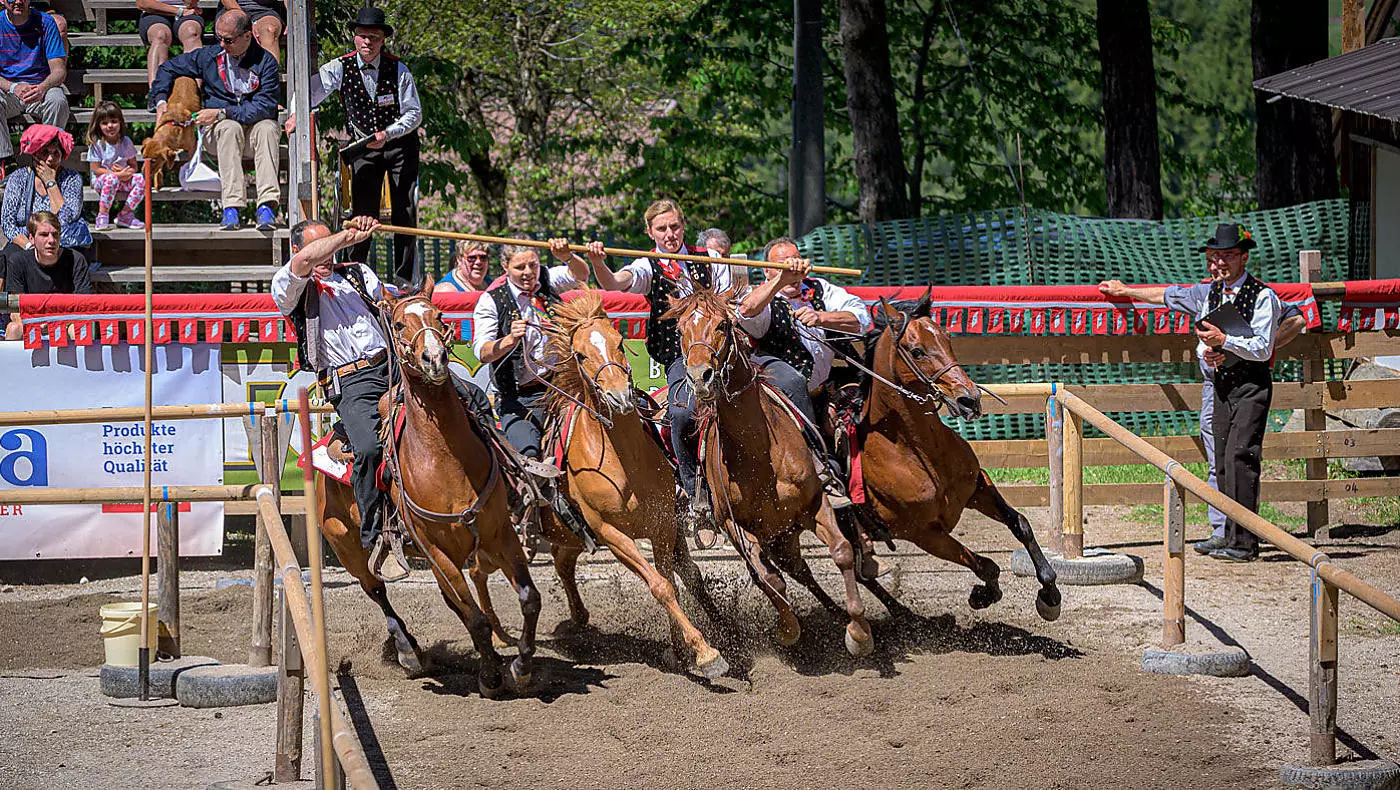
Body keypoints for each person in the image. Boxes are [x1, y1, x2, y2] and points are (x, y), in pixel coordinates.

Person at [586, 199, 818, 532]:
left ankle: (818, 463)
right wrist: (598, 263)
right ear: (650, 232)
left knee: (792, 381)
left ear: (683, 226)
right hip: (682, 358)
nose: (670, 234)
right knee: (681, 413)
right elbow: (615, 283)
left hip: (726, 351)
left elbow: (731, 302)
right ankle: (695, 492)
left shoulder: (709, 258)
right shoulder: (646, 265)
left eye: (674, 226)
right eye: (662, 229)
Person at [1098, 223, 1284, 562]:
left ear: (1243, 257)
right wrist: (1210, 353)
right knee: (1223, 458)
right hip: (1222, 382)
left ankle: (1244, 542)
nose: (1219, 263)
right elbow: (1195, 328)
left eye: (1227, 256)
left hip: (1251, 384)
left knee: (1241, 456)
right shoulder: (1210, 293)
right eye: (1215, 257)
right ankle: (1228, 534)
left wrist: (1225, 342)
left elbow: (1262, 347)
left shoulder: (1263, 296)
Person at [292, 7, 421, 283]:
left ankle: (404, 280)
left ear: (383, 40)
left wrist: (389, 133)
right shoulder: (340, 67)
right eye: (363, 36)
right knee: (362, 213)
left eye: (373, 37)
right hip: (364, 146)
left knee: (405, 209)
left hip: (399, 144)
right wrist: (296, 114)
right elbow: (308, 94)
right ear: (354, 37)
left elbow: (414, 113)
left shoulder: (399, 69)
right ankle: (355, 273)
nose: (368, 42)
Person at [150, 9, 281, 232]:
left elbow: (265, 107)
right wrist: (161, 99)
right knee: (229, 128)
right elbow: (167, 68)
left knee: (268, 128)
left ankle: (267, 205)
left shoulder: (266, 62)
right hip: (220, 136)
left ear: (247, 36)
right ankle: (231, 207)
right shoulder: (210, 56)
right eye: (218, 37)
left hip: (253, 134)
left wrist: (222, 112)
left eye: (228, 40)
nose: (222, 44)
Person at [472, 239, 593, 462]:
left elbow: (582, 274)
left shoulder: (547, 278)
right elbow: (482, 352)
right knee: (528, 452)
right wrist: (509, 340)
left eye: (533, 265)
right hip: (519, 397)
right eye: (520, 267)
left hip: (561, 389)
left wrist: (567, 256)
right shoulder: (491, 300)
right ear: (505, 267)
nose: (528, 272)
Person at [2, 124, 89, 267]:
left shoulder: (71, 179)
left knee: (68, 260)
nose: (50, 159)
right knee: (7, 259)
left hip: (60, 240)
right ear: (35, 154)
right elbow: (7, 222)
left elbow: (66, 219)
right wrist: (30, 246)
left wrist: (50, 183)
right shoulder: (18, 178)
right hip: (27, 240)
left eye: (56, 153)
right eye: (45, 152)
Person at [0, 0, 68, 165]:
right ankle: (5, 162)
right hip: (9, 91)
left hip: (41, 87)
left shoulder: (46, 22)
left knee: (58, 101)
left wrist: (42, 87)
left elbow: (59, 71)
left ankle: (47, 158)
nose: (18, 2)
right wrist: (12, 87)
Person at [3, 211, 90, 339]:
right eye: (44, 235)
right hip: (30, 323)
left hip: (65, 323)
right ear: (31, 238)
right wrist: (35, 323)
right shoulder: (17, 261)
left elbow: (84, 306)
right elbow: (15, 311)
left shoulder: (76, 260)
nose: (51, 240)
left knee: (79, 329)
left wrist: (55, 322)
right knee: (14, 328)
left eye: (55, 234)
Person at [84, 102, 146, 230]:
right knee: (112, 179)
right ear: (98, 125)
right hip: (102, 181)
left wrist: (126, 172)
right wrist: (117, 175)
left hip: (122, 179)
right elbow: (96, 169)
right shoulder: (97, 144)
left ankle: (125, 214)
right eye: (105, 123)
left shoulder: (125, 142)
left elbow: (134, 166)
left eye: (114, 121)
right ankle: (102, 215)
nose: (110, 126)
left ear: (120, 122)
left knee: (141, 179)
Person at [136, 0, 203, 85]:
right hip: (153, 12)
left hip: (187, 12)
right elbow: (143, 3)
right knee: (160, 35)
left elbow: (190, 3)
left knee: (191, 32)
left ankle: (194, 88)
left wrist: (189, 4)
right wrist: (179, 11)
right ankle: (157, 89)